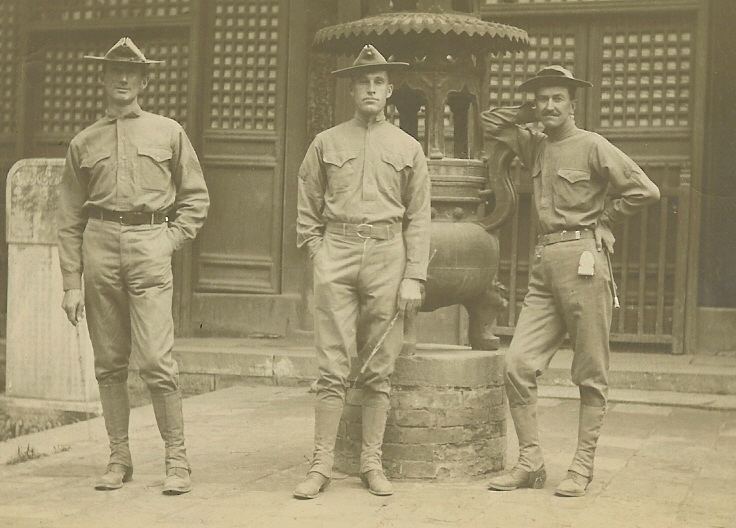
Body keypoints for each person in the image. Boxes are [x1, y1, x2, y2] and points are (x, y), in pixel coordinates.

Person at [481, 65, 660, 497]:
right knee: (517, 364)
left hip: (584, 261)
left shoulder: (592, 145)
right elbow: (488, 122)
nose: (549, 106)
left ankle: (581, 466)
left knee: (590, 370)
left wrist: (606, 218)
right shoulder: (535, 144)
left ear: (572, 104)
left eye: (557, 98)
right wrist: (527, 112)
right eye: (542, 99)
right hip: (544, 264)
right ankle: (530, 462)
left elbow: (646, 190)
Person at [57, 37, 209, 495]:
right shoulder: (84, 142)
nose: (122, 78)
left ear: (144, 81)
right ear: (102, 78)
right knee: (108, 363)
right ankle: (118, 458)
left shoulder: (168, 132)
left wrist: (169, 240)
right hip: (99, 247)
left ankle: (177, 460)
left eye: (132, 72)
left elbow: (195, 197)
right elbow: (69, 217)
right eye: (114, 70)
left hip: (149, 245)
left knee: (158, 361)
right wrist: (71, 282)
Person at [294, 44, 431, 499]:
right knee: (331, 365)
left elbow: (419, 216)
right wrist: (319, 253)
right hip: (337, 248)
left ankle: (371, 462)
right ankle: (321, 464)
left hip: (388, 255)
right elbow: (307, 205)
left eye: (378, 82)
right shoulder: (326, 142)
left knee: (378, 365)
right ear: (351, 91)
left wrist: (413, 276)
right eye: (363, 83)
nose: (371, 89)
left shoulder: (408, 147)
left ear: (389, 91)